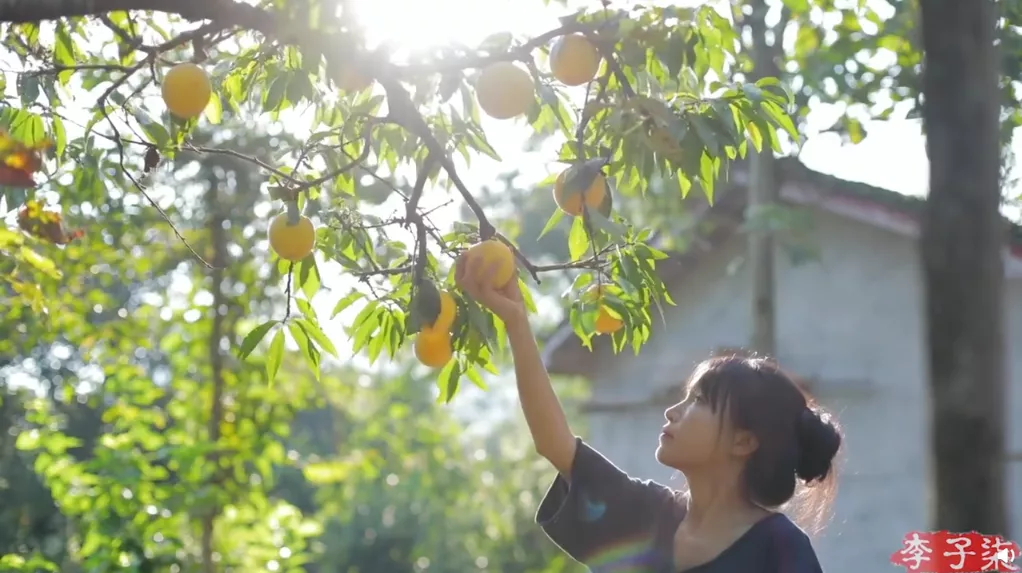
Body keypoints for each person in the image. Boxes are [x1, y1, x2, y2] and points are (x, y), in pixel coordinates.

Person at [455, 254, 843, 573]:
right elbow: (553, 442)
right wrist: (515, 320)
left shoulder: (779, 550)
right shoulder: (644, 514)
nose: (673, 412)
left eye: (699, 401)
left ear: (744, 441)